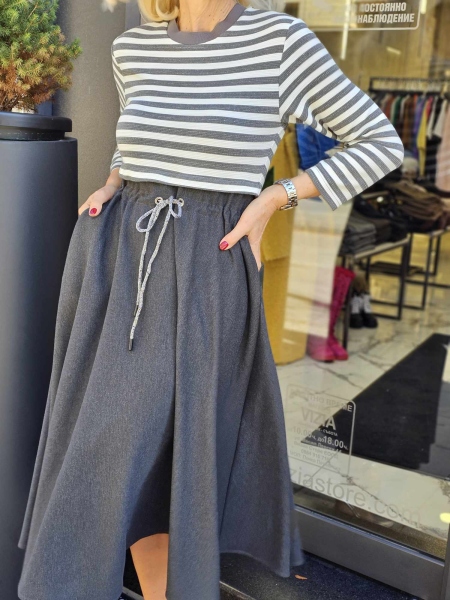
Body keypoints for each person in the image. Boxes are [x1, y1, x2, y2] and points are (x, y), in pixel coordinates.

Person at [16, 0, 405, 599]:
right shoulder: (134, 48)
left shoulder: (279, 40)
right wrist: (113, 182)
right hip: (121, 263)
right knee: (115, 450)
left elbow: (379, 142)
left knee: (180, 453)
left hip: (209, 271)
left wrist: (276, 196)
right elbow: (137, 142)